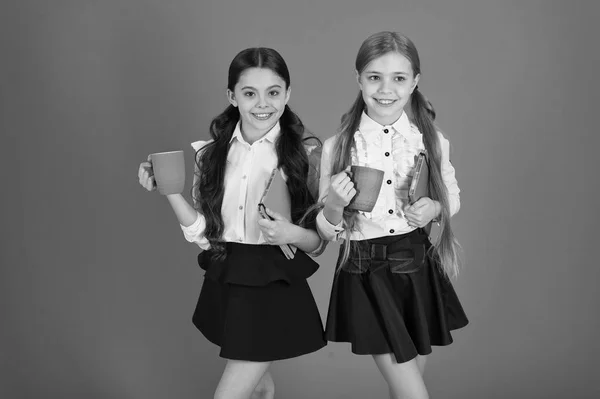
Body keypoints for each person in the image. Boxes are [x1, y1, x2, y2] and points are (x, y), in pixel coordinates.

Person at [138, 47, 325, 399]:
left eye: (273, 92)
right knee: (259, 389)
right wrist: (170, 190)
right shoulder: (210, 154)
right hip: (229, 278)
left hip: (273, 284)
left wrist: (289, 232)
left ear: (288, 94)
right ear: (232, 96)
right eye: (249, 93)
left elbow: (318, 243)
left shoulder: (307, 155)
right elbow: (205, 237)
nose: (262, 104)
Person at [316, 32, 468, 399]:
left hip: (416, 266)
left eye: (399, 78)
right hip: (363, 271)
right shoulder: (337, 147)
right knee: (414, 393)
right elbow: (323, 228)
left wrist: (434, 207)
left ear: (415, 81)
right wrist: (335, 203)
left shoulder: (431, 140)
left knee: (406, 388)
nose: (386, 89)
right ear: (359, 79)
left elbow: (452, 196)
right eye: (374, 77)